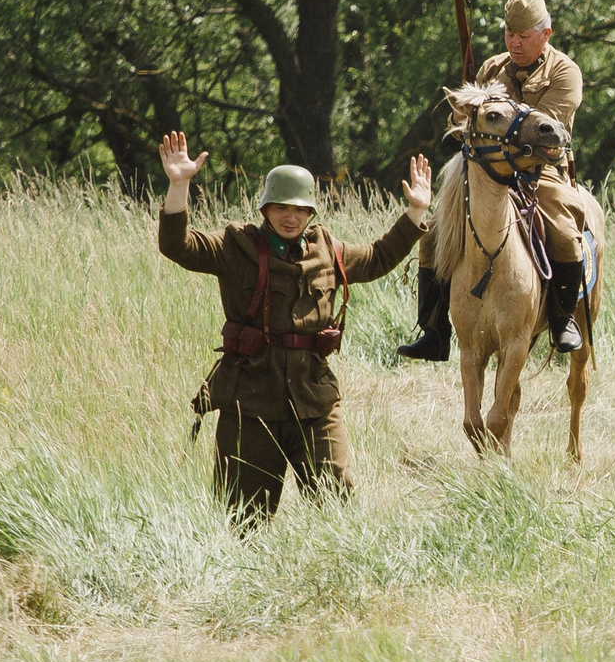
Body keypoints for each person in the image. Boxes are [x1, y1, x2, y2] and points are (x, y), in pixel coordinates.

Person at [156, 133, 431, 523]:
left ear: (310, 213)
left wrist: (416, 211)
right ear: (265, 208)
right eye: (281, 208)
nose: (290, 217)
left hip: (313, 400)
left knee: (336, 506)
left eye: (299, 210)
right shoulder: (236, 247)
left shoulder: (328, 250)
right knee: (244, 518)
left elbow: (377, 258)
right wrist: (179, 185)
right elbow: (178, 246)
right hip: (251, 401)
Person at [398, 0, 595, 360]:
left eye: (524, 36)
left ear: (546, 34)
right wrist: (463, 111)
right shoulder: (492, 67)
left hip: (540, 171)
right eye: (509, 34)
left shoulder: (565, 72)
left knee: (565, 234)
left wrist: (491, 119)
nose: (514, 43)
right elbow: (462, 120)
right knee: (435, 233)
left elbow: (544, 128)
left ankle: (562, 318)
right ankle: (434, 330)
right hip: (487, 168)